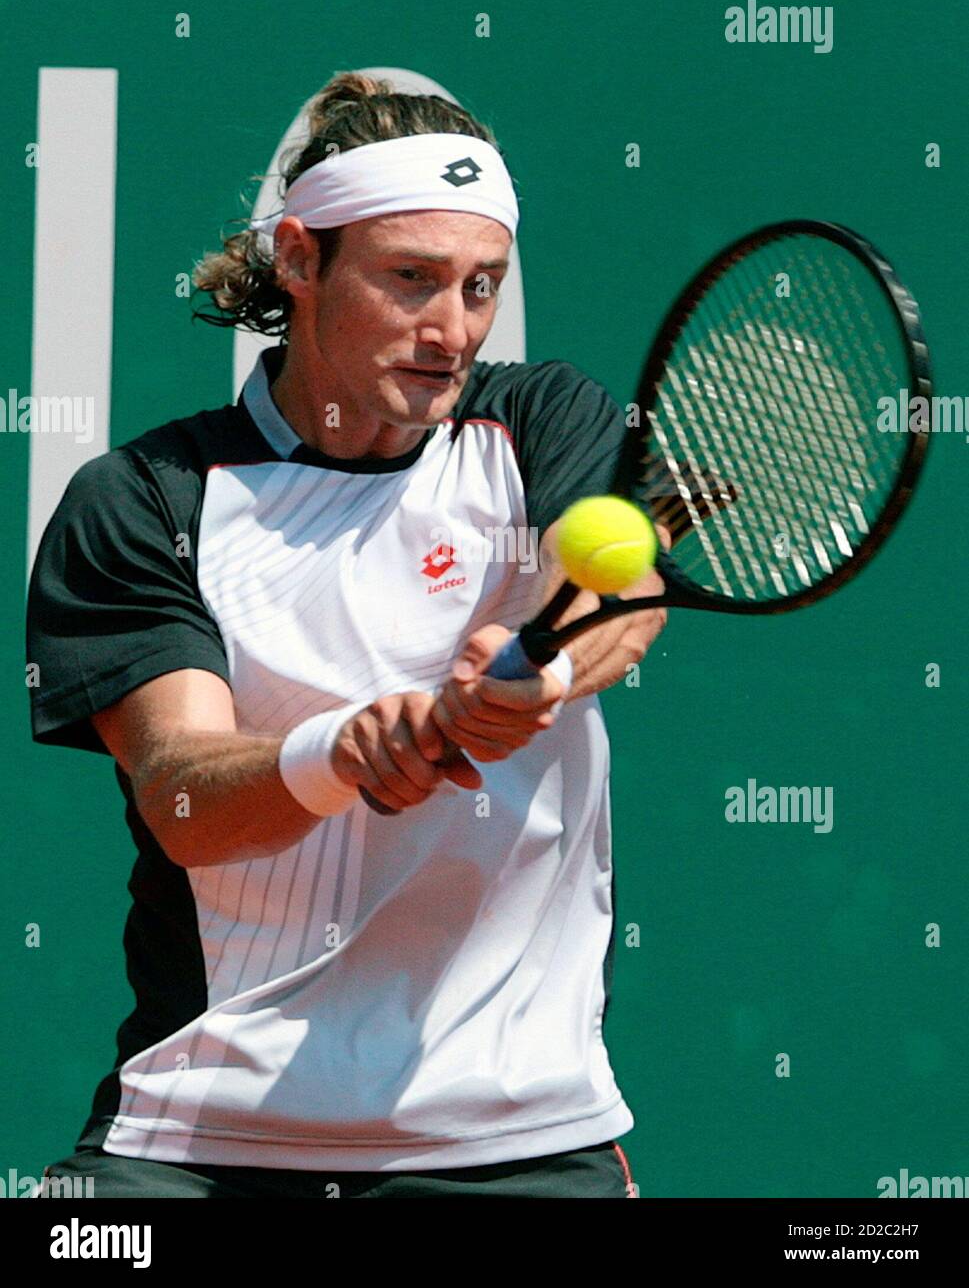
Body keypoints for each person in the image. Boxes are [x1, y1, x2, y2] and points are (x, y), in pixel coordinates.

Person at [26, 72, 668, 1200]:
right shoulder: (146, 498)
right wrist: (345, 751)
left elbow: (614, 589)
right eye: (411, 279)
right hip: (203, 1135)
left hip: (512, 1134)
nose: (452, 328)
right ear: (300, 258)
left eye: (481, 286)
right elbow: (181, 795)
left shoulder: (544, 420)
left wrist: (542, 665)